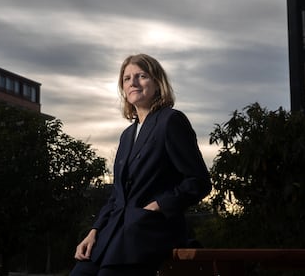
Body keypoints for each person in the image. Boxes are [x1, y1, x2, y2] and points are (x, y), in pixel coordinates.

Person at [70, 54, 212, 276]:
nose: (133, 83)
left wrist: (158, 205)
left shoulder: (171, 120)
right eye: (127, 79)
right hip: (113, 233)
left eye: (141, 76)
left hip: (149, 232)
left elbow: (198, 182)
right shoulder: (127, 135)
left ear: (157, 83)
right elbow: (117, 195)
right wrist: (94, 231)